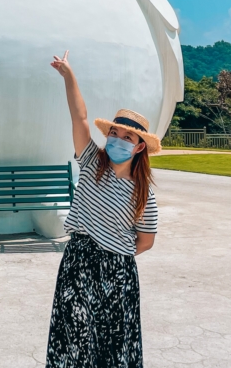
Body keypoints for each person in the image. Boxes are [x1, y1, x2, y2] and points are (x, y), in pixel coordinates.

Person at [46, 50, 160, 368]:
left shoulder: (143, 194)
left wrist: (112, 251)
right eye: (114, 133)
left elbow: (146, 241)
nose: (118, 140)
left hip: (117, 272)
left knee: (112, 347)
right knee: (74, 340)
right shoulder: (93, 161)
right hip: (78, 263)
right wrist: (69, 76)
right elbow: (80, 118)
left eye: (127, 137)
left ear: (139, 146)